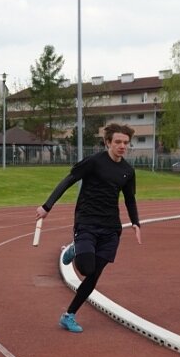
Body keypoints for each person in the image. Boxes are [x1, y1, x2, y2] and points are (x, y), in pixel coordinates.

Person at [35, 123, 142, 333]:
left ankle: (69, 315)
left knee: (94, 275)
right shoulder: (94, 162)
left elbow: (130, 199)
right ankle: (74, 249)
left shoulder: (128, 171)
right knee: (85, 268)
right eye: (118, 142)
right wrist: (47, 206)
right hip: (87, 223)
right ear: (108, 142)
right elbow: (69, 180)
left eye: (125, 143)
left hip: (111, 229)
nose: (122, 146)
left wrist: (136, 222)